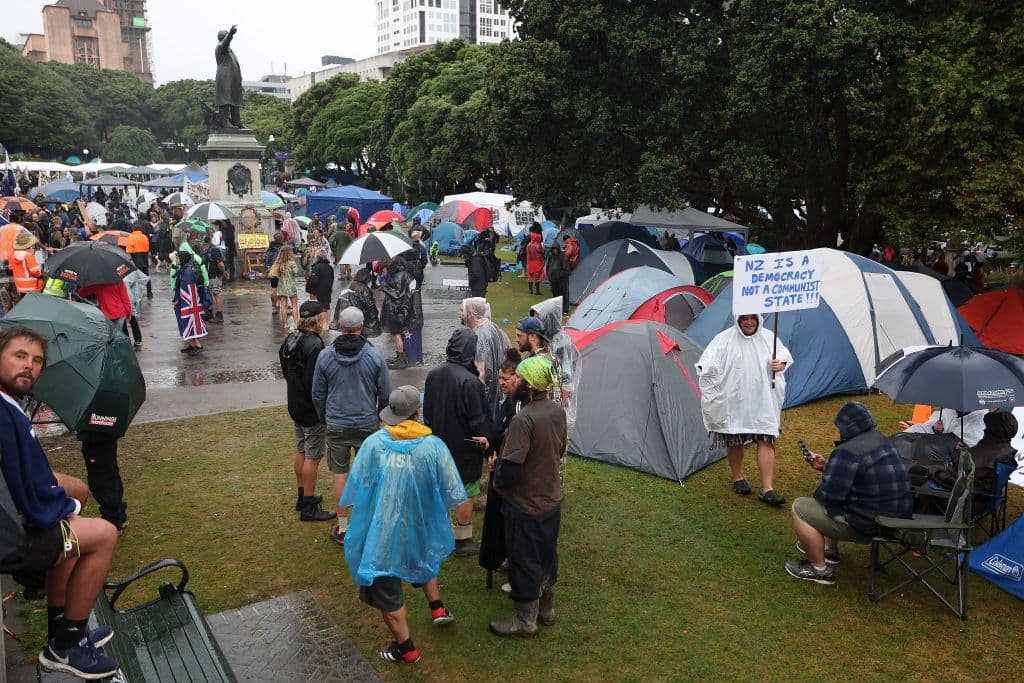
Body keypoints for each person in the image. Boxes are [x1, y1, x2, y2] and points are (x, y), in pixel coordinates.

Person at [0, 326, 121, 678]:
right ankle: (66, 645)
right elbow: (28, 490)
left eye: (37, 360)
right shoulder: (4, 413)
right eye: (19, 356)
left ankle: (60, 628)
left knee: (77, 498)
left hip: (16, 518)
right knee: (105, 534)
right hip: (14, 537)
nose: (29, 365)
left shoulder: (9, 404)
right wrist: (68, 511)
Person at [341, 385, 466, 665]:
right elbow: (451, 490)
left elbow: (358, 485)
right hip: (419, 526)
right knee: (424, 558)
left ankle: (406, 649)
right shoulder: (434, 446)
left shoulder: (373, 444)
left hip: (382, 533)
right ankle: (436, 607)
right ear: (416, 413)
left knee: (386, 588)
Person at [784, 402, 912, 585]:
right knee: (844, 498)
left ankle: (820, 570)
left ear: (846, 428)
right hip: (897, 519)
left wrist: (831, 474)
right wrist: (827, 467)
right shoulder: (882, 440)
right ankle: (828, 550)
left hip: (871, 523)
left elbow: (827, 496)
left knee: (801, 508)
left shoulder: (847, 451)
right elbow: (865, 477)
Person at [489, 356, 567, 637]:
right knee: (546, 554)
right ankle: (547, 610)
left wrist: (497, 474)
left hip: (525, 504)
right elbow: (559, 450)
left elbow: (509, 471)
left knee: (524, 559)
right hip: (551, 500)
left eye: (520, 378)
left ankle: (525, 620)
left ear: (531, 386)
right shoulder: (557, 411)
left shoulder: (523, 420)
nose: (515, 381)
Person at [312, 306, 391, 546]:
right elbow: (385, 393)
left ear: (339, 326)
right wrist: (378, 416)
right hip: (366, 423)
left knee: (340, 474)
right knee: (368, 476)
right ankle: (367, 525)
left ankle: (344, 526)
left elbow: (317, 394)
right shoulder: (374, 356)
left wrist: (325, 417)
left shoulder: (325, 356)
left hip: (337, 424)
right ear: (361, 326)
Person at [695, 313, 791, 506]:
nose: (749, 322)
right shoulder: (724, 339)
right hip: (735, 401)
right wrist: (708, 372)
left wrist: (780, 365)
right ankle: (738, 477)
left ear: (758, 319)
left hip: (763, 401)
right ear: (738, 320)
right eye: (744, 318)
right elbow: (707, 363)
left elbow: (783, 357)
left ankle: (767, 488)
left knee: (766, 439)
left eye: (752, 318)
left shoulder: (768, 338)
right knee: (735, 438)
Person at [423, 328, 494, 557]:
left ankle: (440, 533)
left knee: (441, 486)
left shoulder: (434, 374)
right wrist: (488, 446)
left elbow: (428, 412)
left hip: (437, 442)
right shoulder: (471, 382)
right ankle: (462, 540)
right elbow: (478, 419)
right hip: (465, 446)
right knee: (467, 489)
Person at [280, 302, 334, 522]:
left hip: (295, 403)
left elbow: (286, 371)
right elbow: (316, 383)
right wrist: (323, 410)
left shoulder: (290, 338)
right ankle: (309, 507)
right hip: (310, 409)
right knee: (313, 455)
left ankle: (303, 496)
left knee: (302, 449)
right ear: (317, 319)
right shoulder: (315, 344)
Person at [461, 297, 511, 422]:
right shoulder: (492, 327)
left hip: (486, 398)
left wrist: (475, 402)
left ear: (471, 314)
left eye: (462, 310)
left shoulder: (478, 337)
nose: (459, 314)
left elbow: (481, 373)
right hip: (498, 391)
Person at [380, 256, 414, 369]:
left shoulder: (395, 277)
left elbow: (395, 293)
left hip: (395, 309)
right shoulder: (405, 274)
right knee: (399, 334)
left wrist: (384, 286)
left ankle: (401, 360)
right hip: (402, 308)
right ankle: (400, 356)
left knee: (397, 334)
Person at [171, 250, 207, 356]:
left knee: (189, 322)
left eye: (177, 258)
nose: (176, 260)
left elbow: (185, 288)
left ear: (182, 259)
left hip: (189, 302)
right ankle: (192, 345)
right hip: (188, 300)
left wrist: (178, 299)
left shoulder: (187, 271)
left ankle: (198, 345)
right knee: (186, 322)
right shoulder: (185, 269)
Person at [901, 408, 986, 448]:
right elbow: (925, 428)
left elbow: (968, 445)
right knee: (915, 429)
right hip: (935, 452)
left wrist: (950, 443)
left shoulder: (981, 420)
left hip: (954, 465)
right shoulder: (948, 411)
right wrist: (935, 429)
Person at [334, 266, 381, 336]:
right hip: (360, 319)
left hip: (349, 318)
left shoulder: (352, 285)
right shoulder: (364, 289)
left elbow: (339, 306)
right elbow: (370, 306)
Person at [214, 25, 243, 128]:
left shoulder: (230, 50)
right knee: (225, 100)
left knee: (235, 99)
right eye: (227, 36)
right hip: (224, 78)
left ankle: (236, 121)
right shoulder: (221, 47)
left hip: (233, 78)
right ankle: (224, 121)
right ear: (224, 37)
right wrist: (230, 34)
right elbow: (225, 43)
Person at [270, 245, 300, 330]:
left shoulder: (278, 263)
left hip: (281, 286)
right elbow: (296, 272)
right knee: (294, 305)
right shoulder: (292, 263)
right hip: (291, 285)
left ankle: (285, 324)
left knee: (283, 305)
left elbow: (274, 275)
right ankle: (296, 323)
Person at [304, 245, 334, 331]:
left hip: (320, 289)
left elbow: (314, 280)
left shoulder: (316, 267)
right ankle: (327, 324)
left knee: (322, 307)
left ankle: (324, 325)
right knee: (327, 306)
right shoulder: (330, 267)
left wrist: (309, 285)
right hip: (328, 289)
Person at [202, 233, 226, 323]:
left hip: (214, 276)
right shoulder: (207, 251)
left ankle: (219, 315)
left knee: (216, 294)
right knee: (209, 294)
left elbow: (221, 264)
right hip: (209, 277)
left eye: (202, 242)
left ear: (206, 243)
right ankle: (209, 313)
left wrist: (223, 273)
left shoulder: (213, 250)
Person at [10, 230, 44, 295]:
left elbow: (11, 268)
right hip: (32, 286)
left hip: (20, 286)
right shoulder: (28, 255)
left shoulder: (12, 255)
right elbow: (35, 271)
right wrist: (41, 276)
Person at [126, 221, 152, 298]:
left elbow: (129, 250)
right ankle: (149, 292)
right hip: (144, 258)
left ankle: (137, 294)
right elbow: (147, 248)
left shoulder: (131, 237)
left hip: (135, 259)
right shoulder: (145, 237)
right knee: (146, 275)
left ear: (133, 229)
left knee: (135, 277)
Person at [544, 244, 571, 315]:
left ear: (558, 249)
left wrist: (559, 275)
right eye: (553, 249)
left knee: (563, 295)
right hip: (553, 280)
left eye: (556, 249)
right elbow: (548, 267)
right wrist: (549, 275)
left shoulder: (563, 257)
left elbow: (567, 270)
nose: (555, 251)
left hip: (562, 280)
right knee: (555, 295)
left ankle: (565, 310)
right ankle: (557, 309)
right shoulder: (551, 257)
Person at [264, 231, 284, 311]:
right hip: (279, 270)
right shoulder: (281, 248)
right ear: (281, 239)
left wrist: (267, 270)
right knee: (280, 288)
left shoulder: (269, 248)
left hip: (271, 270)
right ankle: (280, 304)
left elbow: (265, 259)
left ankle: (274, 306)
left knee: (273, 288)